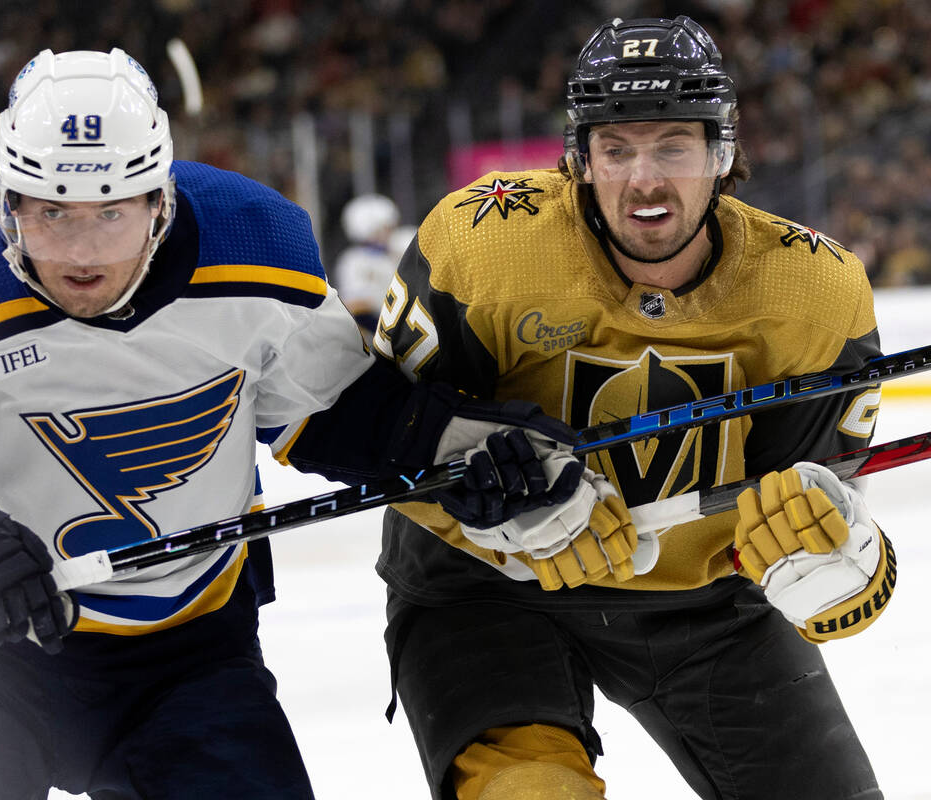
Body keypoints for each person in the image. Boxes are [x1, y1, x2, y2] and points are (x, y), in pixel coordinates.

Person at [0, 48, 591, 799]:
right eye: (50, 212)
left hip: (188, 659)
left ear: (161, 199)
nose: (82, 252)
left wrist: (463, 448)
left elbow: (332, 410)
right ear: (5, 202)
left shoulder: (258, 245)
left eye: (112, 212)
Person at [375, 16, 892, 800]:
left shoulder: (814, 292)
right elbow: (384, 430)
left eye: (673, 147)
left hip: (709, 605)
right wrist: (477, 503)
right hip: (486, 588)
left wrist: (841, 566)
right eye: (616, 149)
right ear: (579, 159)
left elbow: (827, 500)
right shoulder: (484, 244)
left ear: (722, 153)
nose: (643, 179)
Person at [334, 192, 403, 333]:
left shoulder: (400, 247)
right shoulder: (353, 261)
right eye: (384, 227)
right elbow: (355, 305)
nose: (389, 232)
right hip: (376, 329)